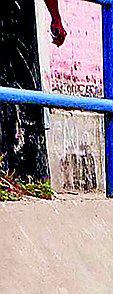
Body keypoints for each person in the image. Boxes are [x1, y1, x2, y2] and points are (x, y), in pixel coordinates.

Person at [1, 0, 65, 186]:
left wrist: (56, 18)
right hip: (17, 17)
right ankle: (27, 177)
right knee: (22, 87)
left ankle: (19, 176)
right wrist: (56, 18)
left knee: (19, 89)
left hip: (16, 17)